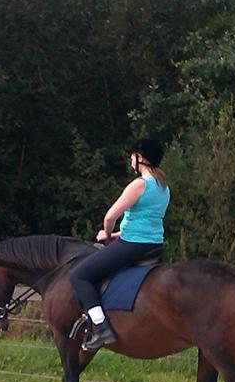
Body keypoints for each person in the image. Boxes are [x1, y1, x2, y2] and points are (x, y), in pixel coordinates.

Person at [69, 137, 170, 352]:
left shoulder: (140, 184)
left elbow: (109, 216)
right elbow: (144, 220)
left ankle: (101, 327)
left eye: (132, 157)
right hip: (153, 244)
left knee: (79, 275)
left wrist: (106, 234)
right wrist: (115, 235)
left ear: (140, 158)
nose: (130, 161)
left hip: (134, 244)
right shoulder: (163, 187)